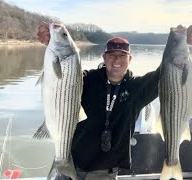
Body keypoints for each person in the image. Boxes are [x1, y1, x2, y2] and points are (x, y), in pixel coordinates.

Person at [37, 23, 160, 180]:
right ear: (104, 57)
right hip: (71, 162)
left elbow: (163, 75)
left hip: (104, 172)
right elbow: (63, 76)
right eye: (111, 55)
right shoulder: (87, 79)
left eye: (122, 55)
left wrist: (180, 45)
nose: (116, 60)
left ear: (130, 59)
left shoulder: (138, 88)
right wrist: (51, 42)